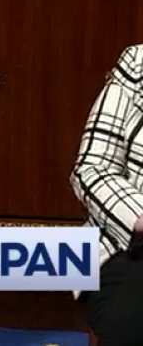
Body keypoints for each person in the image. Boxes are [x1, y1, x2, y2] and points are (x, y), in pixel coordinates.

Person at [71, 44, 143, 346]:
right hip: (127, 246)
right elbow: (91, 168)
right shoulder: (138, 64)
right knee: (130, 324)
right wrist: (139, 217)